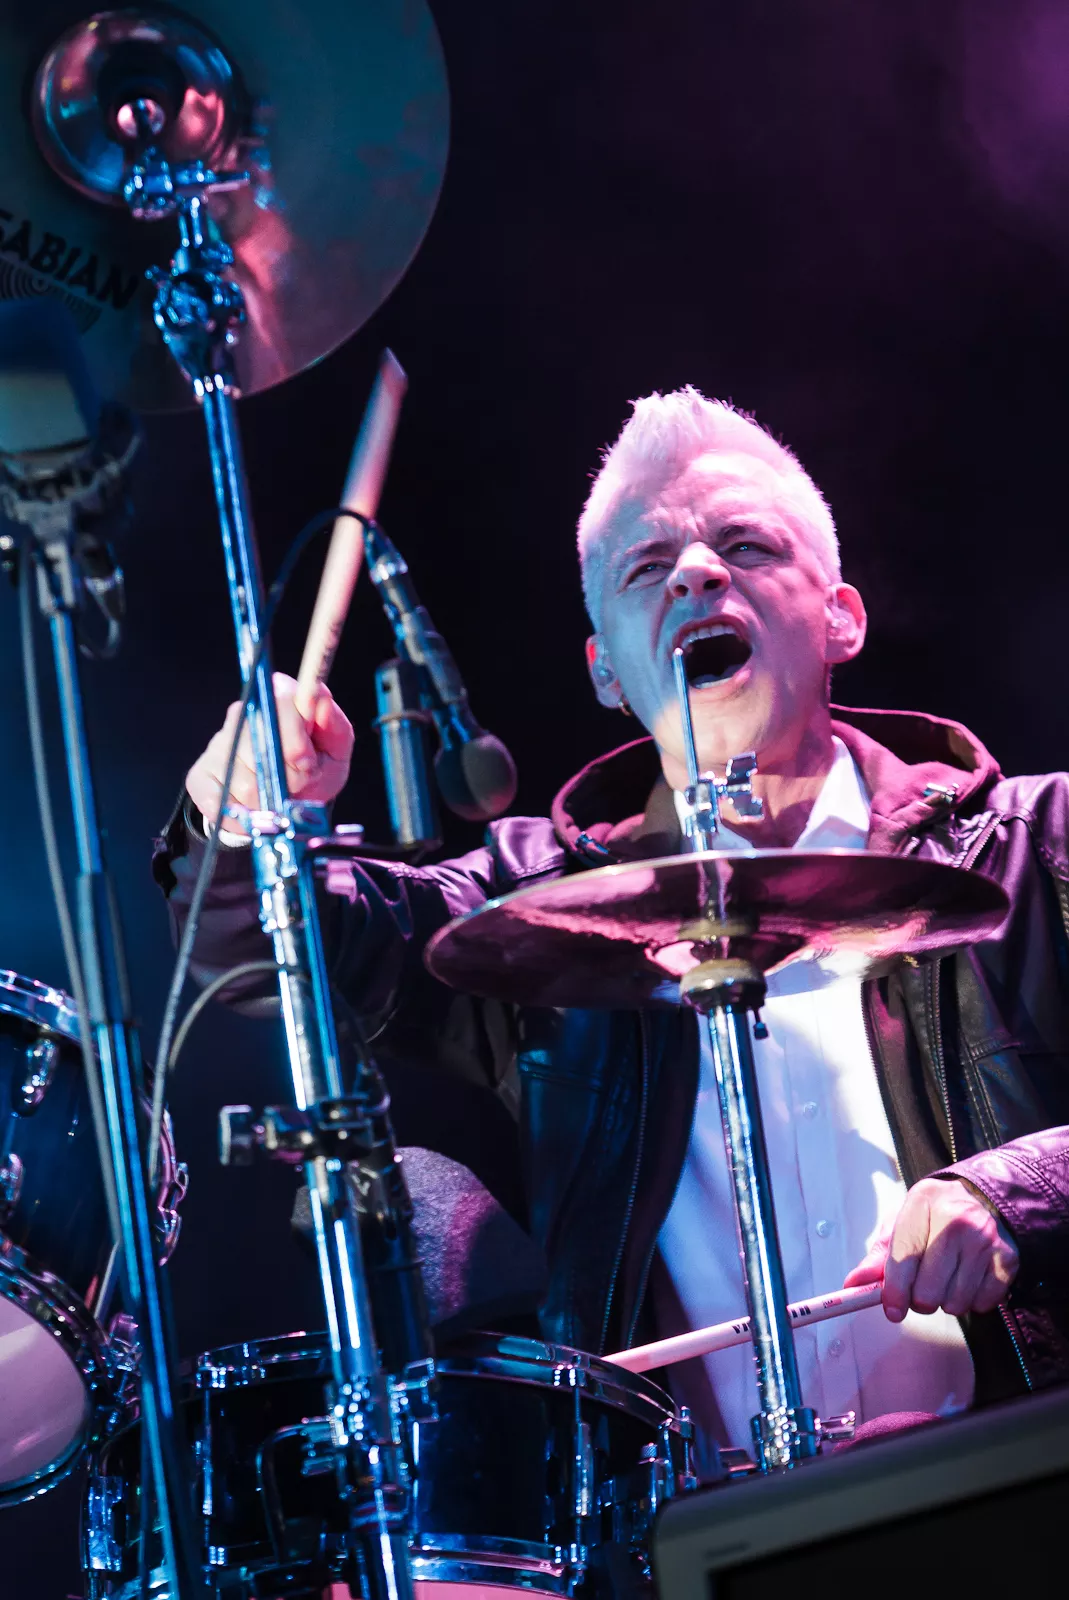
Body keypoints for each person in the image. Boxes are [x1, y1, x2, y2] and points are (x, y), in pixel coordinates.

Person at [155, 387, 1069, 1459]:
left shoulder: (1038, 844)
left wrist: (1025, 1193)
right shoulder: (541, 908)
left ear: (840, 618)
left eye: (745, 544)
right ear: (606, 672)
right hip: (710, 1525)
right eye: (648, 568)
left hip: (1017, 1481)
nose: (696, 574)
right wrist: (234, 817)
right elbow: (276, 947)